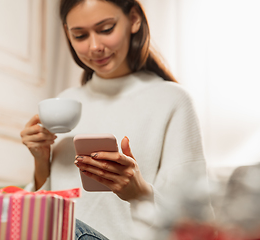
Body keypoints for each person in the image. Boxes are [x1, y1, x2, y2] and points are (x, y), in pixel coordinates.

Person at [21, 0, 213, 239]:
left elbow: (195, 219)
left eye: (106, 29)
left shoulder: (172, 100)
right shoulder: (64, 103)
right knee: (15, 221)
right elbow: (42, 211)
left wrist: (139, 192)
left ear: (134, 20)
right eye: (80, 35)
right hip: (60, 233)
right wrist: (41, 160)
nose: (94, 47)